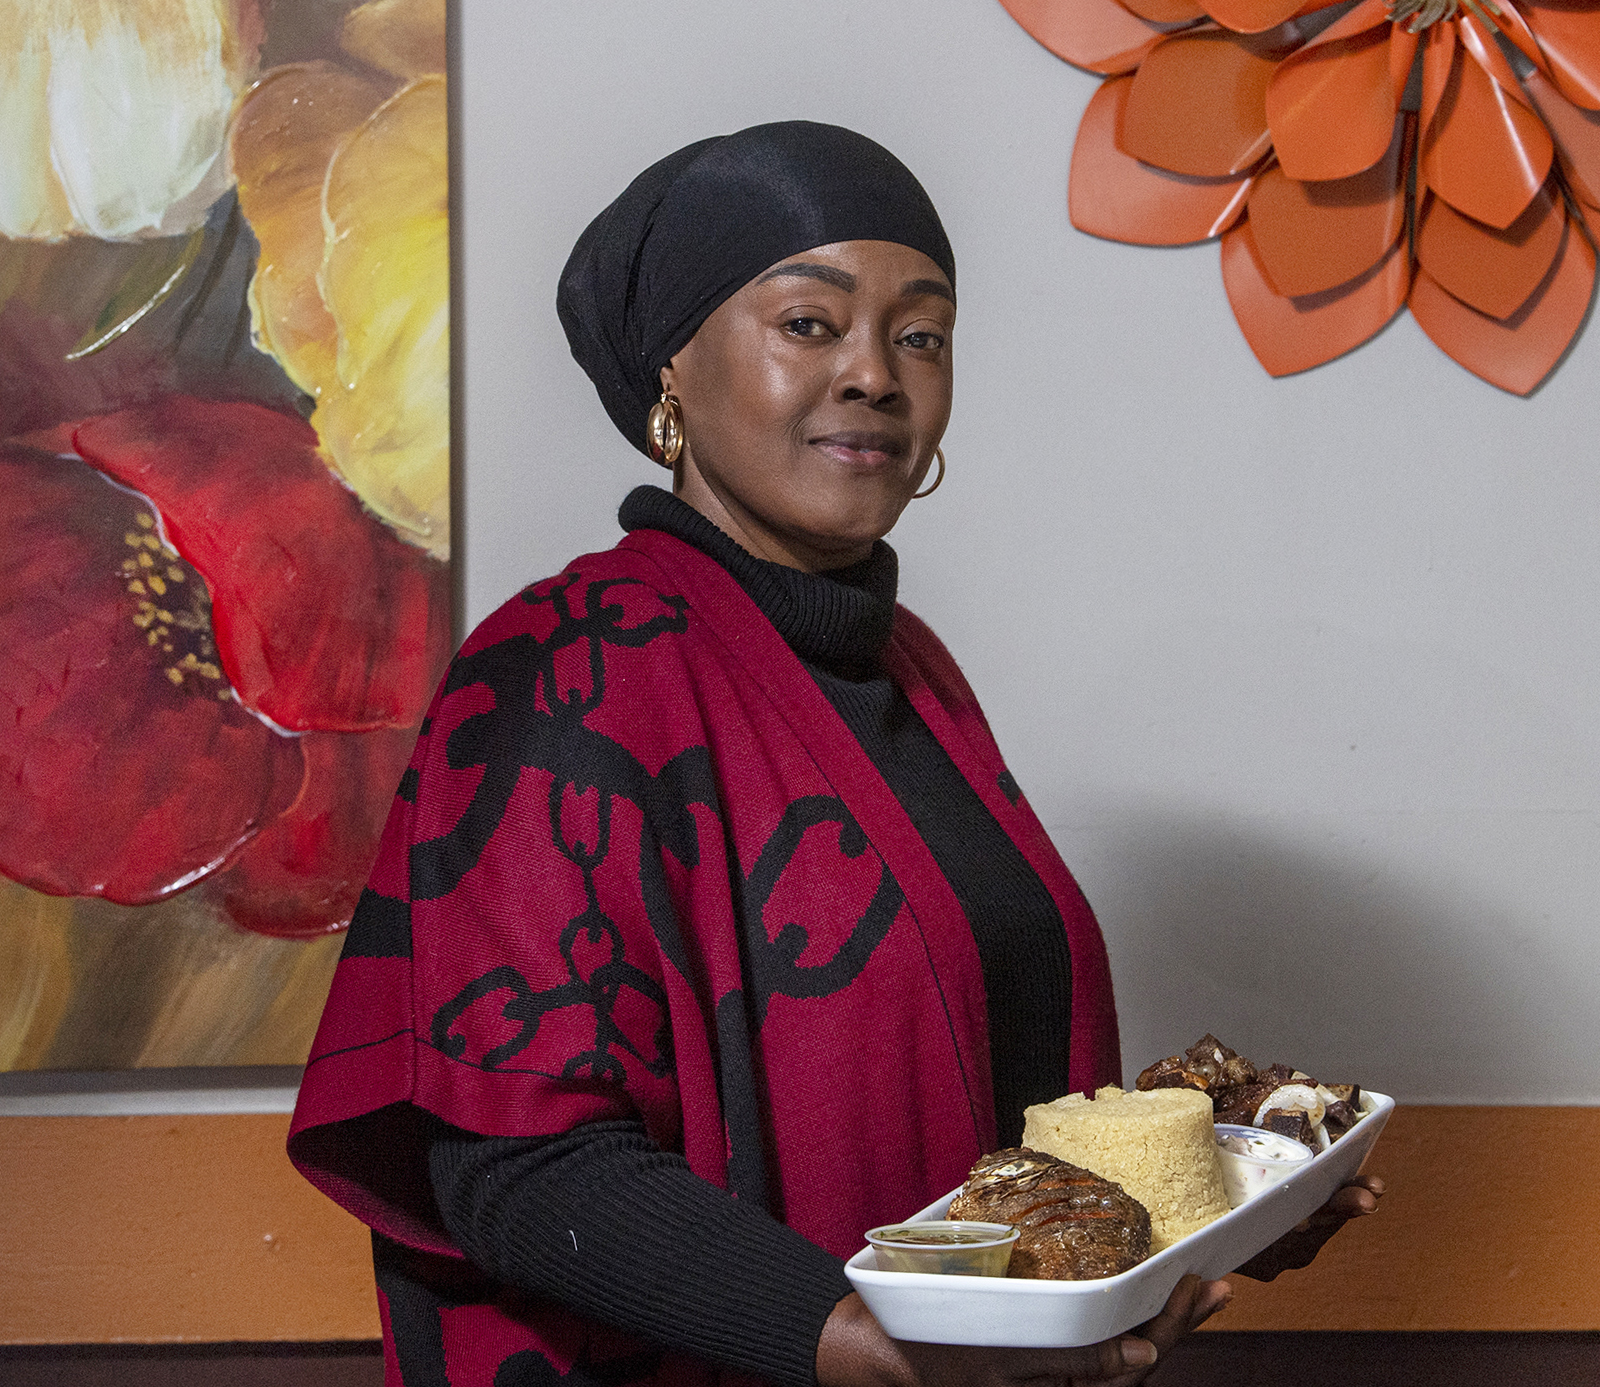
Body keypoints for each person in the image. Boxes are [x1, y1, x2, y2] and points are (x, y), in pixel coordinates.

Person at [288, 121, 1381, 1387]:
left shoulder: (911, 671)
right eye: (809, 324)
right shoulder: (570, 666)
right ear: (672, 374)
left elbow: (1009, 1119)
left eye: (920, 335)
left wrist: (1196, 1221)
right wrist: (857, 1343)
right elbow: (510, 1159)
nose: (876, 374)